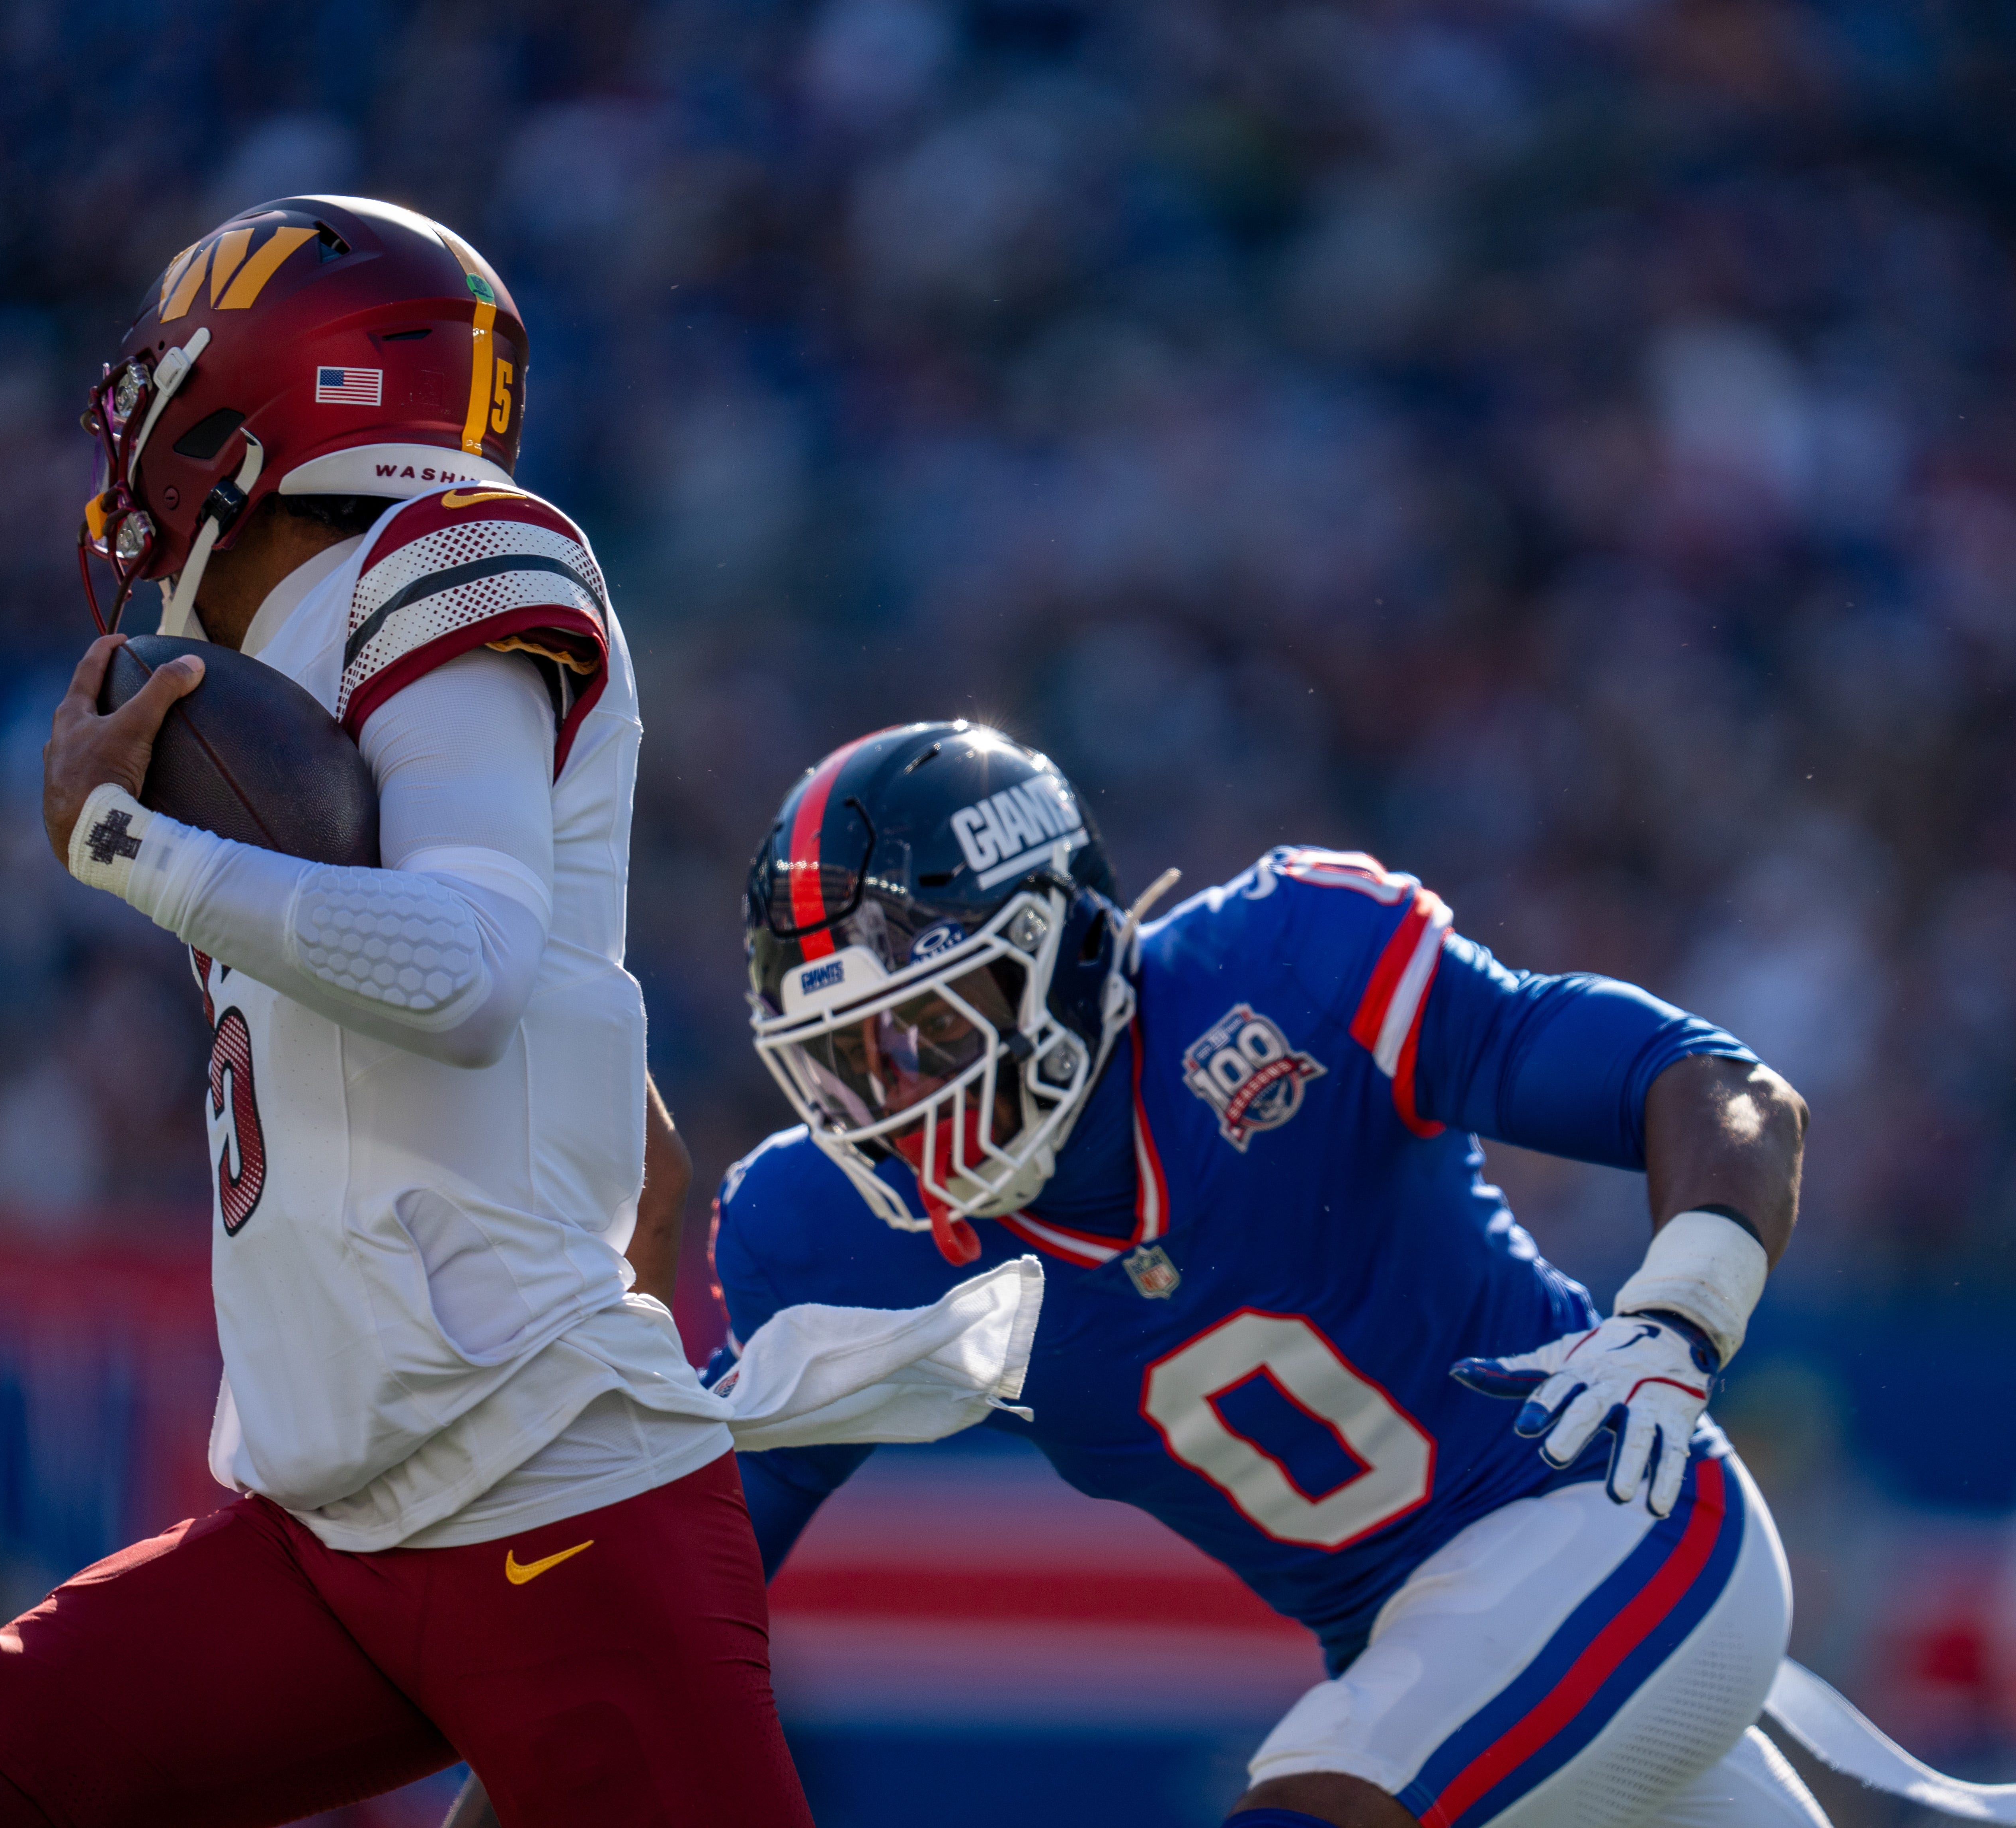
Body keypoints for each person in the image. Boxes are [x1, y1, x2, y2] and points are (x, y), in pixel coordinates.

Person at [0, 194, 821, 1828]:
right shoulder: (262, 666)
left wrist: (128, 847)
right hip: (326, 1531)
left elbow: (473, 972)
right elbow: (613, 1116)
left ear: (269, 396)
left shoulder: (452, 553)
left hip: (548, 1516)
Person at [706, 719, 1830, 1828]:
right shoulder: (826, 1236)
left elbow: (1706, 1083)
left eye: (932, 1033)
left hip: (1623, 1520)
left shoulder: (1288, 967)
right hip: (1425, 1659)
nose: (896, 1103)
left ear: (1061, 951)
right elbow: (695, 1570)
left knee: (1320, 1804)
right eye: (847, 1060)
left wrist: (1684, 1314)